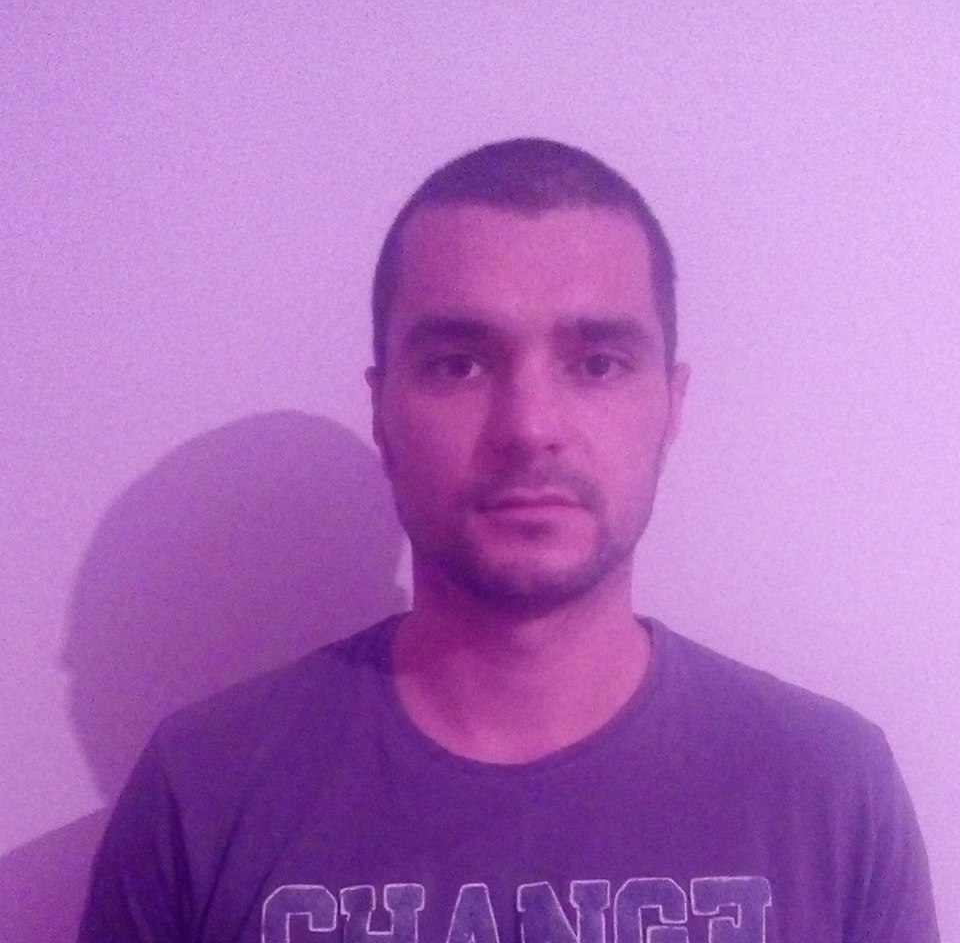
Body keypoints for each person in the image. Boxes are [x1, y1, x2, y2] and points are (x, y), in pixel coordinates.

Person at [78, 138, 939, 942]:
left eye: (597, 363)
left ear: (671, 405)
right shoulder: (204, 790)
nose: (529, 428)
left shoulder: (830, 790)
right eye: (459, 363)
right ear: (382, 410)